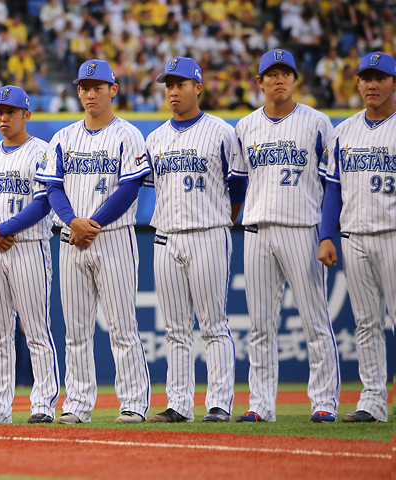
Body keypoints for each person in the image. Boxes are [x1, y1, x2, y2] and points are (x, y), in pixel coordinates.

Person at [35, 59, 151, 424]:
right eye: (84, 87)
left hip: (112, 238)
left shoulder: (127, 134)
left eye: (97, 86)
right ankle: (77, 404)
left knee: (121, 325)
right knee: (76, 329)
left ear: (113, 90)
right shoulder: (63, 137)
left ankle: (133, 402)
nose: (89, 93)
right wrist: (73, 222)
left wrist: (93, 223)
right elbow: (52, 188)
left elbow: (130, 188)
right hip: (71, 238)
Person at [231, 49, 341, 423]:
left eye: (286, 73)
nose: (279, 79)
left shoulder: (318, 123)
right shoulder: (245, 126)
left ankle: (324, 401)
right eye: (271, 74)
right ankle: (260, 404)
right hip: (257, 230)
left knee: (315, 320)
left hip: (302, 229)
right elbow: (238, 184)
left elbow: (333, 183)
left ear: (295, 80)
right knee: (260, 325)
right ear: (259, 81)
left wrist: (327, 233)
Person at [144, 57, 243, 423]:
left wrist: (220, 223)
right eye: (168, 84)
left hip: (208, 234)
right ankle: (179, 404)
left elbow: (238, 188)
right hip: (166, 237)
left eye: (180, 83)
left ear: (197, 87)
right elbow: (155, 188)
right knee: (175, 328)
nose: (173, 90)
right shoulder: (154, 138)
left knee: (213, 323)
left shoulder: (221, 131)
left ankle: (218, 402)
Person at [0, 85, 60, 425]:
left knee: (35, 329)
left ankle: (43, 406)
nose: (3, 117)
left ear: (26, 114)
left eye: (10, 111)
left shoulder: (42, 152)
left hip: (28, 246)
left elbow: (44, 202)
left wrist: (4, 228)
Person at [318, 52, 396, 423]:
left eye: (380, 78)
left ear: (393, 83)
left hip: (393, 234)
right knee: (366, 323)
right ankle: (373, 402)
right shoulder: (343, 130)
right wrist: (325, 236)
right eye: (366, 78)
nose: (372, 84)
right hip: (353, 236)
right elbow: (332, 189)